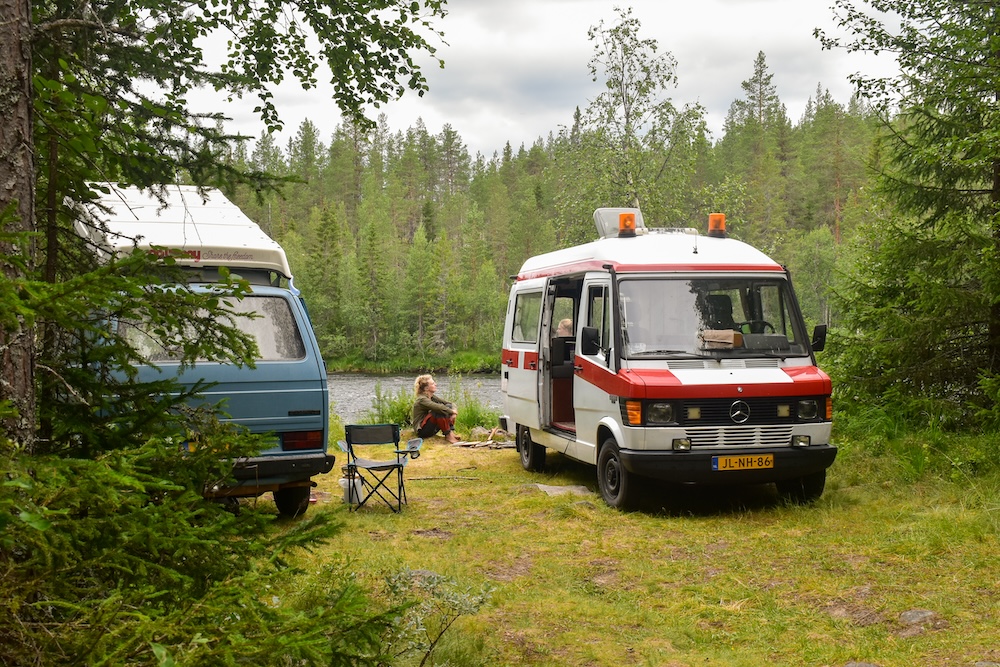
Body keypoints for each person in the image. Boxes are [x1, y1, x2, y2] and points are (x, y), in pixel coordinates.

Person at [412, 374, 460, 443]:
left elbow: (450, 403)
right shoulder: (422, 399)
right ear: (426, 388)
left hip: (430, 427)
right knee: (438, 411)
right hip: (422, 431)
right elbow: (439, 408)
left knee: (448, 406)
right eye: (432, 383)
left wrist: (454, 411)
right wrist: (452, 412)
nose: (436, 384)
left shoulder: (431, 397)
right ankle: (448, 436)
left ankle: (451, 432)